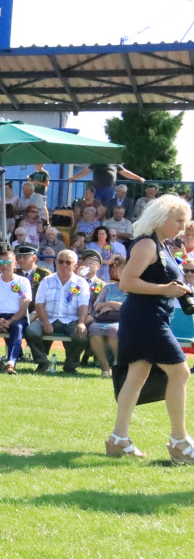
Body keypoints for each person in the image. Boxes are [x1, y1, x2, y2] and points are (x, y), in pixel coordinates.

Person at [109, 194, 194, 462]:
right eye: (178, 220)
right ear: (161, 217)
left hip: (149, 317)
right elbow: (126, 282)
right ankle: (179, 441)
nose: (182, 226)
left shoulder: (162, 245)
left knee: (137, 376)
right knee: (180, 373)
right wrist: (165, 289)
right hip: (146, 319)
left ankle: (118, 439)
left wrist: (177, 289)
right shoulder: (147, 244)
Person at [24, 249, 90, 373]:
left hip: (71, 320)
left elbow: (83, 306)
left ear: (75, 265)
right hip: (48, 318)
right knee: (31, 331)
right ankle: (42, 363)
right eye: (61, 261)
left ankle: (70, 366)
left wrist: (81, 323)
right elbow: (39, 304)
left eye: (68, 262)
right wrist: (46, 322)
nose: (64, 265)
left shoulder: (82, 283)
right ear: (56, 263)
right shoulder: (47, 280)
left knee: (81, 337)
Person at [86, 258, 128, 378]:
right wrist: (108, 305)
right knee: (94, 330)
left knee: (113, 330)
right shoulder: (109, 287)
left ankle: (119, 365)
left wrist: (109, 304)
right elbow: (97, 305)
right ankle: (105, 368)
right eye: (121, 269)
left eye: (126, 269)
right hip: (105, 319)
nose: (123, 272)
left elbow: (128, 307)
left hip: (124, 321)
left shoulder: (134, 289)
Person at [67, 163, 144, 202]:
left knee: (107, 207)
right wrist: (74, 178)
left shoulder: (115, 162)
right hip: (96, 189)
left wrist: (138, 178)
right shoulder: (97, 162)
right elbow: (85, 171)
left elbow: (125, 173)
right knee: (96, 206)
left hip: (109, 189)